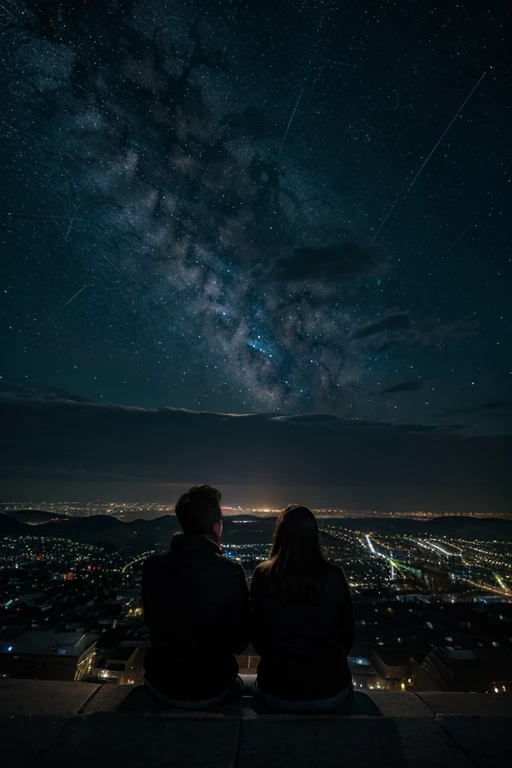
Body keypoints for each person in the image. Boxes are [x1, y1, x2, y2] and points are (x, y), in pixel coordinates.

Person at [141, 484, 250, 708]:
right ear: (217, 527)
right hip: (213, 687)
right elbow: (240, 643)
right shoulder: (230, 572)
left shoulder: (153, 567)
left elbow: (151, 622)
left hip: (161, 684)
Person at [250, 504, 355, 713]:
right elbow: (347, 636)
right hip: (331, 690)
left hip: (277, 691)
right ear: (314, 535)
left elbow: (257, 637)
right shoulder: (334, 576)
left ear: (280, 534)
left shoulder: (263, 575)